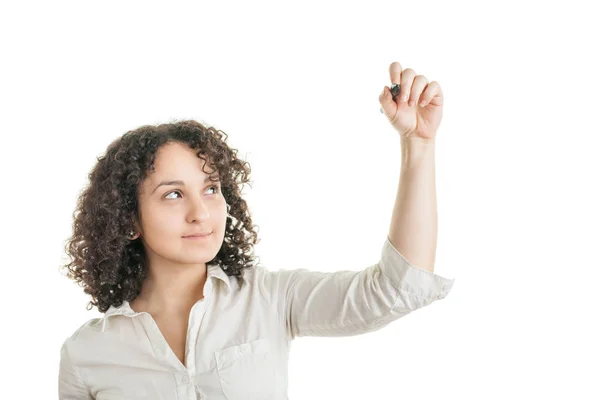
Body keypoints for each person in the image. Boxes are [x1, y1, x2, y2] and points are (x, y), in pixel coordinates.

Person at [58, 62, 455, 399]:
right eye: (173, 194)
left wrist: (417, 144)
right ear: (128, 220)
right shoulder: (87, 354)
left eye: (211, 189)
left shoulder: (268, 298)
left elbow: (396, 289)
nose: (201, 213)